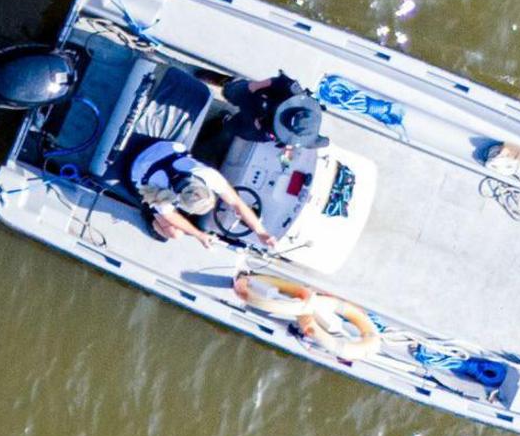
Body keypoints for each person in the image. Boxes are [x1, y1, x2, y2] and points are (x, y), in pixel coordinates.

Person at [126, 134, 266, 247]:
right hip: (136, 167)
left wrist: (261, 232)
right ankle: (150, 216)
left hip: (160, 148)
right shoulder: (163, 196)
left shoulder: (206, 173)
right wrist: (200, 235)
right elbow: (171, 216)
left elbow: (237, 203)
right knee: (175, 234)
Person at [233, 273, 379, 354]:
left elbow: (310, 327)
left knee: (304, 308)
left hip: (311, 316)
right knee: (302, 305)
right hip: (308, 309)